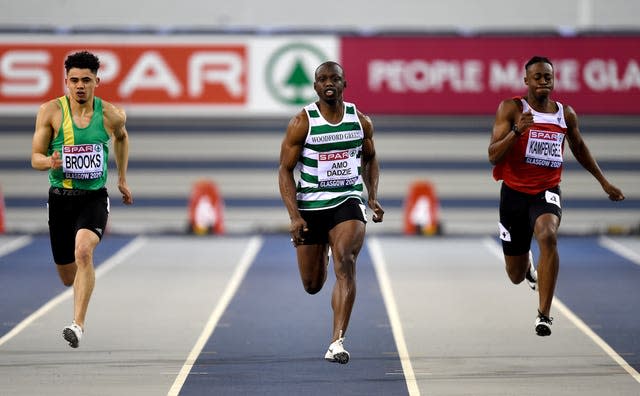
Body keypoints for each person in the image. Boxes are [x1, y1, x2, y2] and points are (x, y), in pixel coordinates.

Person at [488, 55, 625, 336]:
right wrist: (516, 131)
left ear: (553, 80)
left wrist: (604, 182)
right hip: (513, 194)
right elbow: (492, 156)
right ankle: (527, 268)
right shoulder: (511, 109)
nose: (543, 81)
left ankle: (544, 315)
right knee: (514, 275)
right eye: (537, 77)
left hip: (546, 190)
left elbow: (580, 148)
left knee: (548, 235)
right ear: (526, 81)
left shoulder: (565, 114)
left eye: (547, 77)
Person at [278, 61, 384, 364]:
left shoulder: (359, 120)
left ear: (344, 83)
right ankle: (324, 248)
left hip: (347, 201)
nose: (329, 83)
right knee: (312, 285)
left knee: (346, 262)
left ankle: (337, 341)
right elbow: (285, 171)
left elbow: (371, 159)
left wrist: (372, 197)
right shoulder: (302, 122)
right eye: (322, 79)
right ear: (314, 87)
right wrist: (294, 216)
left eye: (335, 78)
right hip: (311, 205)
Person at [31, 51, 133, 348]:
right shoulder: (49, 112)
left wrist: (122, 178)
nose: (79, 86)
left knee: (84, 252)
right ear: (65, 82)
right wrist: (49, 162)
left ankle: (77, 325)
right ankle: (82, 282)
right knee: (67, 276)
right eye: (74, 80)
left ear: (96, 82)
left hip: (93, 198)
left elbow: (123, 138)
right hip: (61, 199)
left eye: (86, 80)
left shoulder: (111, 114)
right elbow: (34, 157)